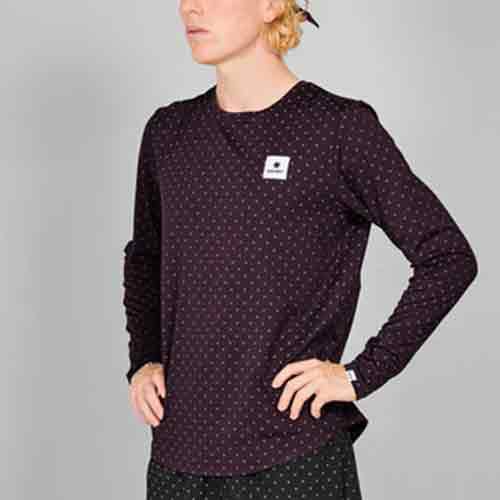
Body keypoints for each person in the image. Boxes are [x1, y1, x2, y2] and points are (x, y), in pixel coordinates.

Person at [122, 1, 479, 498]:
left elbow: (448, 257)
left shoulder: (338, 129)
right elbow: (146, 256)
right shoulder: (169, 132)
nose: (191, 7)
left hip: (293, 457)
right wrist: (144, 359)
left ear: (272, 5)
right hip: (178, 455)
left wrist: (360, 373)